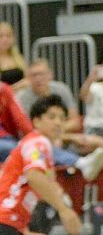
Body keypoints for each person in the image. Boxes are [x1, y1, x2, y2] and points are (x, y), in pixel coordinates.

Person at [0, 95, 83, 235]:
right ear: (36, 121)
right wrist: (64, 210)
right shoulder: (38, 142)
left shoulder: (35, 147)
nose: (58, 123)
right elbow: (34, 176)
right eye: (52, 117)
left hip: (13, 223)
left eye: (62, 118)